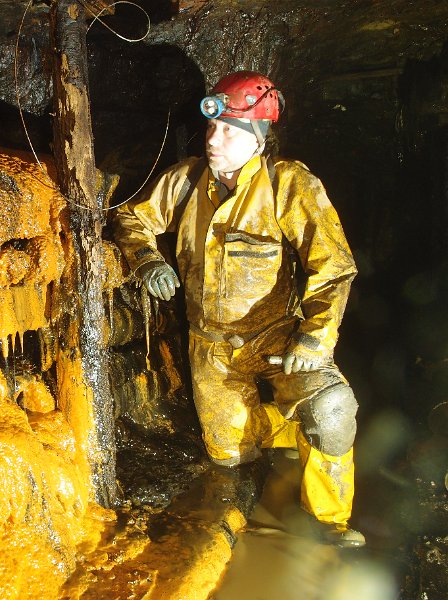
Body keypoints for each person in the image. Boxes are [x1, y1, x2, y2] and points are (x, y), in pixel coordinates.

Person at [113, 70, 365, 547]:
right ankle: (292, 431)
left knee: (331, 410)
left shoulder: (288, 184)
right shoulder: (186, 181)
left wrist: (314, 339)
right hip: (211, 346)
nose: (215, 139)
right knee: (228, 457)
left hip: (278, 335)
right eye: (211, 127)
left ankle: (328, 521)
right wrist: (146, 257)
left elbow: (334, 268)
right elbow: (129, 216)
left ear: (259, 138)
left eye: (230, 129)